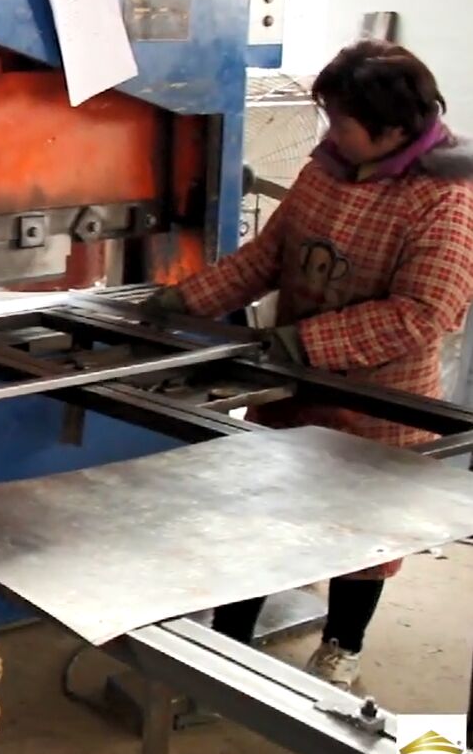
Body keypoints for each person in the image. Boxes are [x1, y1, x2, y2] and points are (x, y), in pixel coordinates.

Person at [144, 40, 473, 690]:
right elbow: (269, 255)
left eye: (342, 120)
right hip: (293, 386)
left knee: (364, 538)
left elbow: (421, 314)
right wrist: (185, 302)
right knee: (259, 518)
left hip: (379, 399)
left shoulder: (445, 196)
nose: (331, 131)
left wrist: (306, 342)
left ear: (392, 128)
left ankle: (341, 648)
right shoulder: (329, 167)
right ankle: (225, 647)